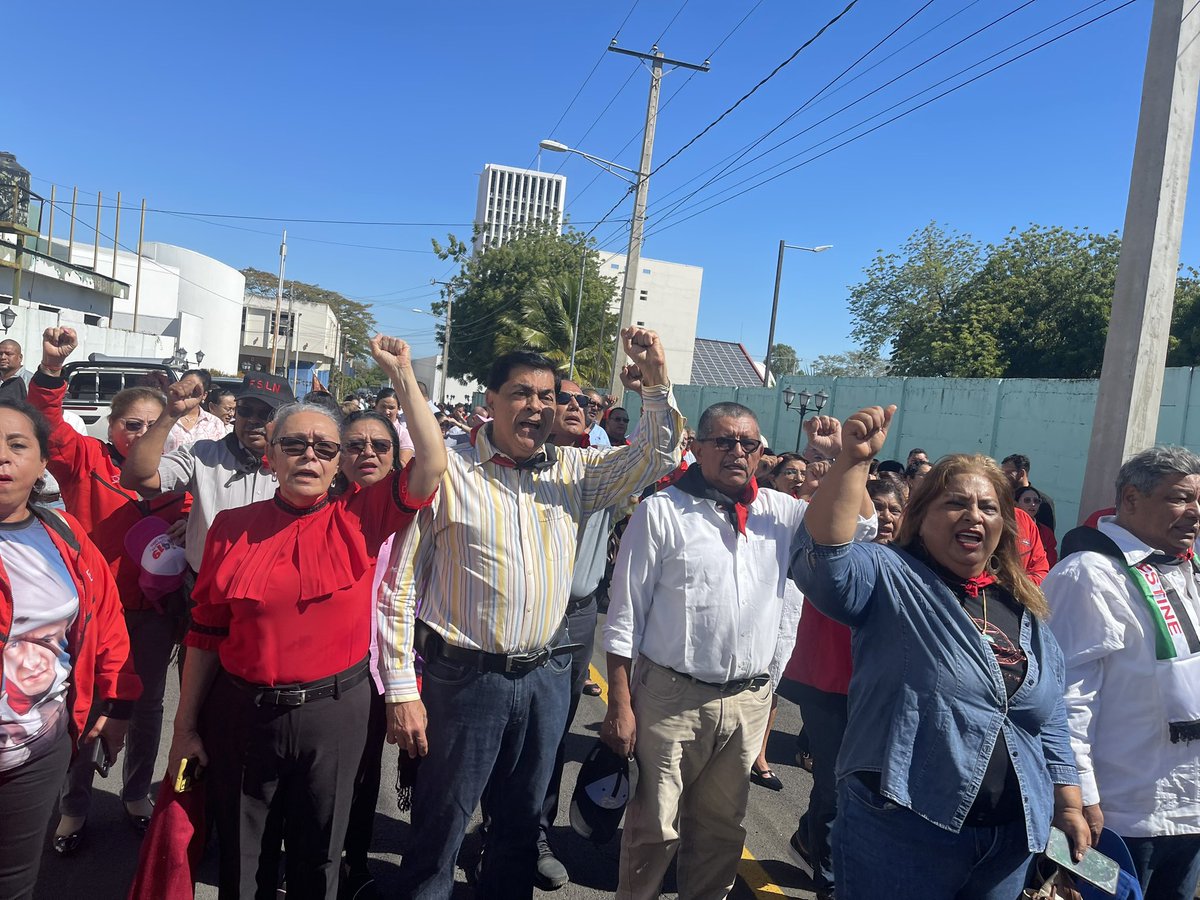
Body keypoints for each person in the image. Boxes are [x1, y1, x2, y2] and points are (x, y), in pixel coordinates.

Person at [378, 328, 682, 899]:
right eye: (522, 394)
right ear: (488, 402)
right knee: (441, 825)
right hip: (464, 678)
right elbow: (397, 586)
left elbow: (659, 453)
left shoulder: (574, 472)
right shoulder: (448, 471)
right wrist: (400, 688)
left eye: (550, 397)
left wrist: (656, 382)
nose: (539, 407)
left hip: (544, 676)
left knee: (520, 824)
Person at [167, 335, 445, 900]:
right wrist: (184, 726)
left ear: (340, 461)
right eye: (295, 445)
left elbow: (431, 464)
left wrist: (403, 378)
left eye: (324, 447)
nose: (310, 456)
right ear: (270, 454)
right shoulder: (231, 527)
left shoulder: (361, 517)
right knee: (245, 866)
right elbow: (206, 634)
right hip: (242, 713)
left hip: (335, 714)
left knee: (320, 858)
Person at [790, 406, 1089, 900]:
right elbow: (826, 562)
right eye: (955, 503)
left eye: (989, 507)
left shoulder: (1022, 603)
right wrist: (852, 461)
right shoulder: (890, 575)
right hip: (904, 829)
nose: (974, 515)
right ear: (920, 515)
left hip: (1009, 839)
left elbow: (1048, 713)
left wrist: (1070, 806)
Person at [602, 405, 874, 900]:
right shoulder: (662, 510)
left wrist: (843, 460)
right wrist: (619, 705)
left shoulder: (781, 511)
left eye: (749, 445)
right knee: (653, 832)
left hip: (748, 702)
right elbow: (625, 619)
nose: (737, 452)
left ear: (760, 453)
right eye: (724, 441)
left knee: (721, 831)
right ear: (699, 447)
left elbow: (861, 532)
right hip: (670, 698)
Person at [26, 327, 189, 851]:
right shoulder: (86, 461)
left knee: (147, 707)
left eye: (151, 425)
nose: (141, 433)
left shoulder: (175, 481)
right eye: (131, 424)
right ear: (112, 426)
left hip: (150, 614)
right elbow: (48, 427)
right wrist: (53, 370)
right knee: (83, 702)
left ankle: (136, 794)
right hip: (90, 613)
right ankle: (73, 806)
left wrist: (194, 527)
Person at [1044, 446, 1200, 900]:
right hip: (1122, 815)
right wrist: (1076, 798)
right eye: (1180, 498)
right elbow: (1067, 704)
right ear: (1130, 499)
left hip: (1188, 810)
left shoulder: (1186, 570)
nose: (1194, 513)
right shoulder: (1089, 576)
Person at [0, 398, 140, 898]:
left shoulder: (63, 533)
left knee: (14, 882)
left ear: (43, 464)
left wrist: (118, 703)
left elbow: (106, 619)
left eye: (18, 445)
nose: (3, 457)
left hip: (37, 749)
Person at [529, 374, 646, 890]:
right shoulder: (515, 465)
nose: (580, 407)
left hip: (575, 616)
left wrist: (653, 389)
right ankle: (492, 829)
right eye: (568, 398)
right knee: (502, 733)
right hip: (518, 614)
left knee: (552, 731)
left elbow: (658, 454)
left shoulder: (602, 467)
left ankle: (534, 832)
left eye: (591, 403)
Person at [781, 476, 907, 900]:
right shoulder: (838, 552)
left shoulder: (912, 563)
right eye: (879, 507)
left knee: (868, 786)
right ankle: (830, 881)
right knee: (835, 783)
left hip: (880, 693)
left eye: (895, 509)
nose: (886, 517)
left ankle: (806, 836)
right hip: (828, 682)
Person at [119, 371, 296, 581]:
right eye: (245, 411)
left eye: (266, 414)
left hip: (270, 590)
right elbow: (136, 479)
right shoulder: (201, 454)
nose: (253, 420)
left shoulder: (300, 463)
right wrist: (171, 413)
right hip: (206, 587)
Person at [336, 408, 402, 897]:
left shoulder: (416, 512)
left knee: (364, 774)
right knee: (321, 776)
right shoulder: (321, 507)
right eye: (355, 445)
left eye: (380, 446)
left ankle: (354, 864)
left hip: (388, 666)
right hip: (330, 666)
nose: (368, 454)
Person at [162, 370, 225, 454]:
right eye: (185, 386)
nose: (189, 392)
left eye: (195, 390)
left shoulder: (215, 424)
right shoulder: (164, 418)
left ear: (204, 395)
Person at [1002, 452, 1057, 532]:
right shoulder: (1001, 497)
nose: (1003, 476)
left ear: (1021, 473)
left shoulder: (1044, 502)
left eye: (1008, 472)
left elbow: (1046, 536)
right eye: (1002, 472)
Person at [1016, 485, 1058, 566]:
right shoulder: (1006, 527)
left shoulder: (1046, 532)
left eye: (1036, 501)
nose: (1032, 504)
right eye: (1027, 500)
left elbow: (1051, 560)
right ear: (1016, 503)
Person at [374, 387, 416, 465]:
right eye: (383, 407)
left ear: (398, 408)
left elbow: (402, 464)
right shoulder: (367, 427)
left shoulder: (403, 434)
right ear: (376, 406)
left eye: (391, 408)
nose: (386, 412)